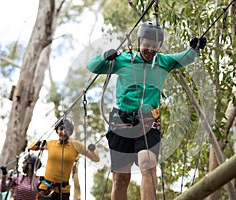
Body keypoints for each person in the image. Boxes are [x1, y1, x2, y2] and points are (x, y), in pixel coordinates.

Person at [86, 20, 207, 200]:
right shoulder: (124, 60)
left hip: (149, 118)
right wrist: (105, 55)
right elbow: (92, 67)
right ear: (139, 42)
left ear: (159, 46)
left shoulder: (164, 62)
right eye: (146, 45)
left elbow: (187, 57)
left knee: (148, 165)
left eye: (154, 46)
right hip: (121, 119)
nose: (150, 49)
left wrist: (195, 48)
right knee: (120, 178)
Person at [28, 117, 100, 200]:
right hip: (46, 189)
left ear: (70, 132)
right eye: (61, 129)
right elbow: (31, 147)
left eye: (67, 130)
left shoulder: (76, 145)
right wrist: (38, 143)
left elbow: (96, 159)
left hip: (63, 192)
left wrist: (92, 150)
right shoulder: (50, 144)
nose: (63, 132)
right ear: (57, 130)